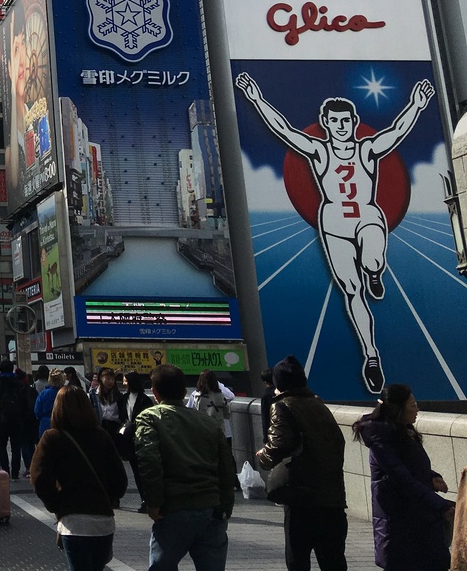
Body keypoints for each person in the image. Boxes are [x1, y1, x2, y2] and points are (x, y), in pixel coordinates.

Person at [237, 73, 436, 394]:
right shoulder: (320, 152)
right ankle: (371, 356)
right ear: (326, 123)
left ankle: (375, 271)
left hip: (367, 215)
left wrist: (416, 105)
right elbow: (284, 131)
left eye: (346, 120)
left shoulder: (367, 149)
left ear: (354, 122)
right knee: (352, 291)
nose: (341, 126)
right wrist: (257, 99)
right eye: (335, 121)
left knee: (372, 260)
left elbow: (397, 132)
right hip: (333, 222)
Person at [133, 363, 235, 571]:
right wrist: (225, 508)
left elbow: (149, 461)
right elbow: (226, 468)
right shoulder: (208, 423)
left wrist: (153, 502)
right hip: (211, 509)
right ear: (183, 391)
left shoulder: (149, 417)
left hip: (173, 509)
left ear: (155, 392)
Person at [256, 355, 348, 571]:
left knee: (298, 559)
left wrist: (263, 457)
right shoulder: (319, 405)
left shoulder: (283, 406)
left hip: (302, 498)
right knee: (333, 560)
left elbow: (280, 444)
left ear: (279, 383)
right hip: (332, 498)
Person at [352, 383, 453, 571]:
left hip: (419, 519)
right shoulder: (379, 438)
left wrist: (431, 477)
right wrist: (441, 505)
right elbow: (401, 478)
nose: (417, 409)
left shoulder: (404, 432)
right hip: (399, 525)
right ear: (398, 409)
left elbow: (408, 468)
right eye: (413, 405)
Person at [30, 386, 129, 571]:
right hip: (103, 521)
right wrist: (109, 498)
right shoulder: (102, 436)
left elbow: (39, 478)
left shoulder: (52, 438)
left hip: (73, 520)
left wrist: (56, 504)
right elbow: (120, 480)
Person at [123, 371, 156, 511]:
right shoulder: (123, 398)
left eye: (125, 381)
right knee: (136, 471)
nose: (124, 383)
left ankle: (148, 499)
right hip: (129, 439)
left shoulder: (144, 400)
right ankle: (144, 499)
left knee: (144, 471)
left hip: (142, 439)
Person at [0, 359, 30, 478]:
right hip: (17, 420)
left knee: (1, 447)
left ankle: (5, 471)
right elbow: (26, 403)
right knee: (16, 447)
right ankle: (15, 473)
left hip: (2, 421)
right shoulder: (19, 383)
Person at [187, 370, 233, 447]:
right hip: (221, 432)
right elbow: (230, 397)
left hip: (203, 431)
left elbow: (189, 411)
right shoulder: (220, 395)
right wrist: (218, 384)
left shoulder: (195, 395)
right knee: (225, 455)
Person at [90, 367, 127, 447]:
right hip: (99, 428)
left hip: (115, 429)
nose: (110, 382)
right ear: (101, 378)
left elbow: (123, 415)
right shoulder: (93, 395)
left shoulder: (118, 396)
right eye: (107, 379)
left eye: (112, 379)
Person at [36, 367, 65, 435]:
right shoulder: (65, 393)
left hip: (45, 425)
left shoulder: (43, 394)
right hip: (62, 425)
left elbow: (37, 411)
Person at [259, 368, 275, 442]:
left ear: (265, 382)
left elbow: (265, 418)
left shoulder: (266, 396)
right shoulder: (284, 392)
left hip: (274, 432)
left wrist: (266, 438)